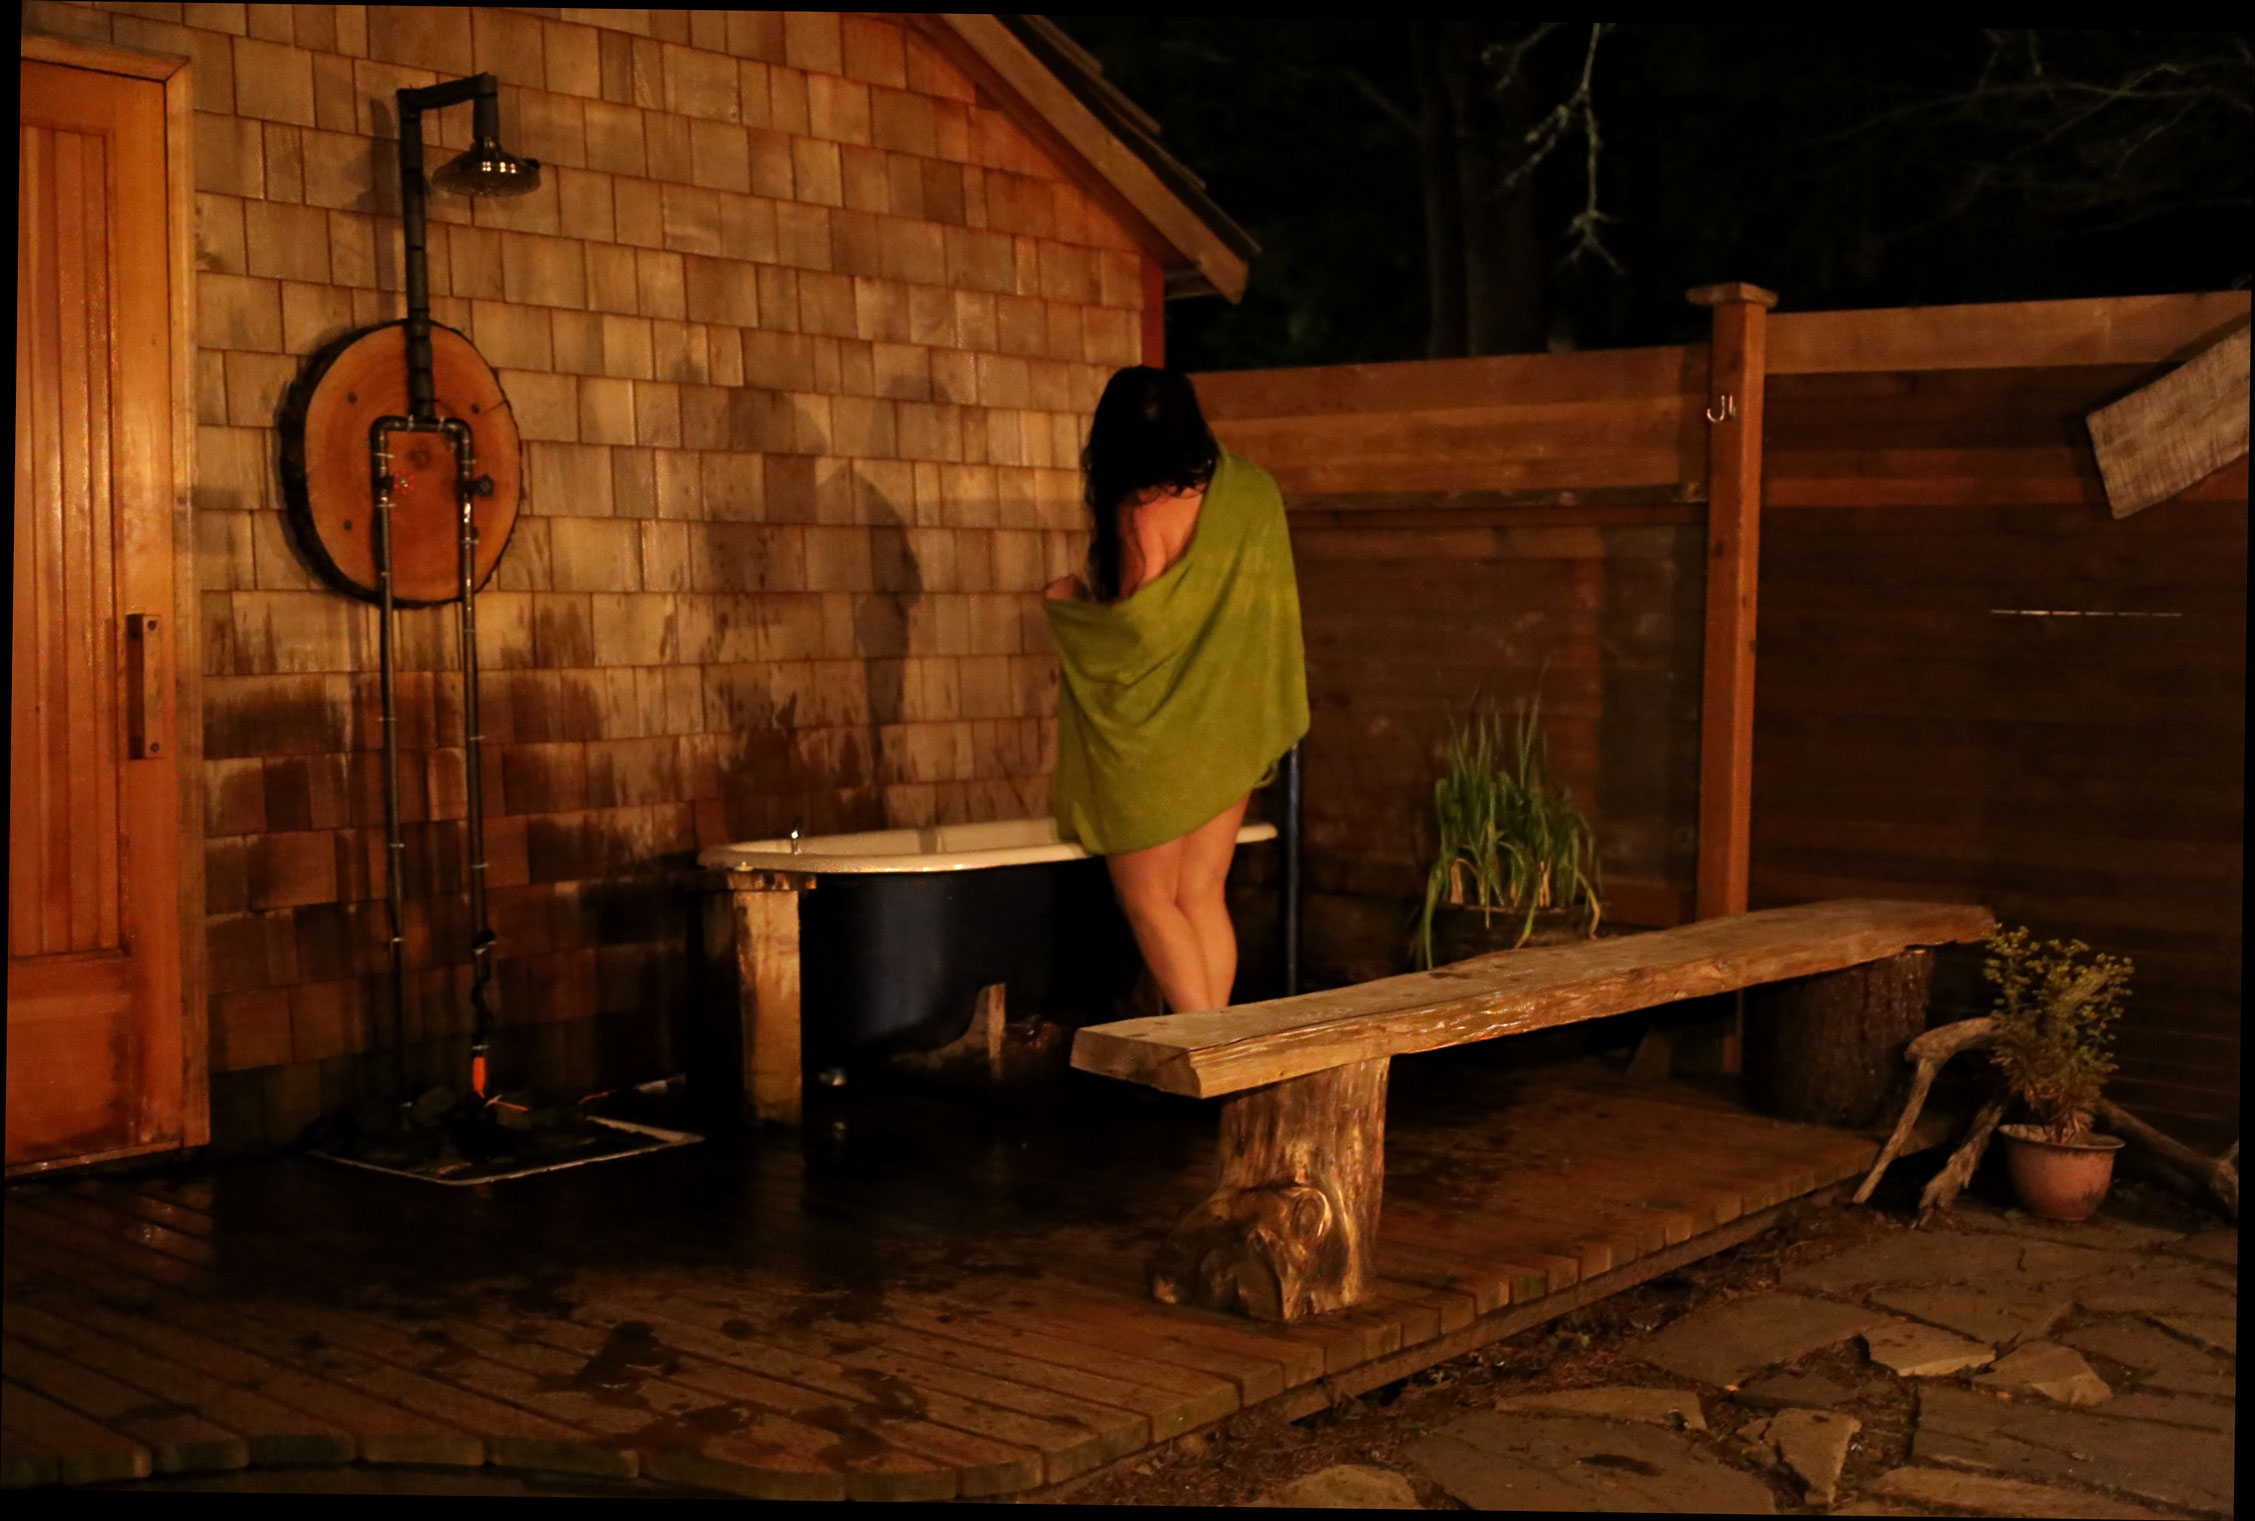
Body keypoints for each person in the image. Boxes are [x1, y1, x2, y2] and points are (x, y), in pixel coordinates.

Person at [1044, 367, 1308, 1014]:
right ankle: (1222, 1047)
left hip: (1156, 739)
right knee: (1202, 894)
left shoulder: (1140, 511)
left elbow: (1140, 631)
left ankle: (1209, 1048)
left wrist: (1068, 605)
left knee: (1149, 900)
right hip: (1229, 726)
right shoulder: (1253, 493)